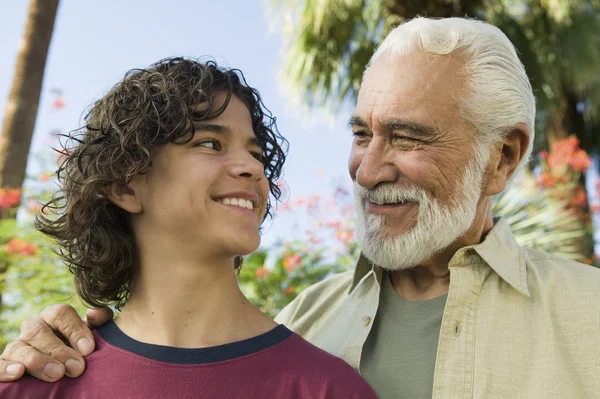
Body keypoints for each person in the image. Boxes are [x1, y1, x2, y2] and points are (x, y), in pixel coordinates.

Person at [2, 16, 600, 399]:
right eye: (362, 134)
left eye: (409, 137)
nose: (366, 171)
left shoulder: (589, 320)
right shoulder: (300, 324)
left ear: (502, 157)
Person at [0, 57, 377, 399]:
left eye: (255, 153)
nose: (252, 168)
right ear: (124, 186)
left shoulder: (329, 389)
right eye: (211, 143)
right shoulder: (35, 384)